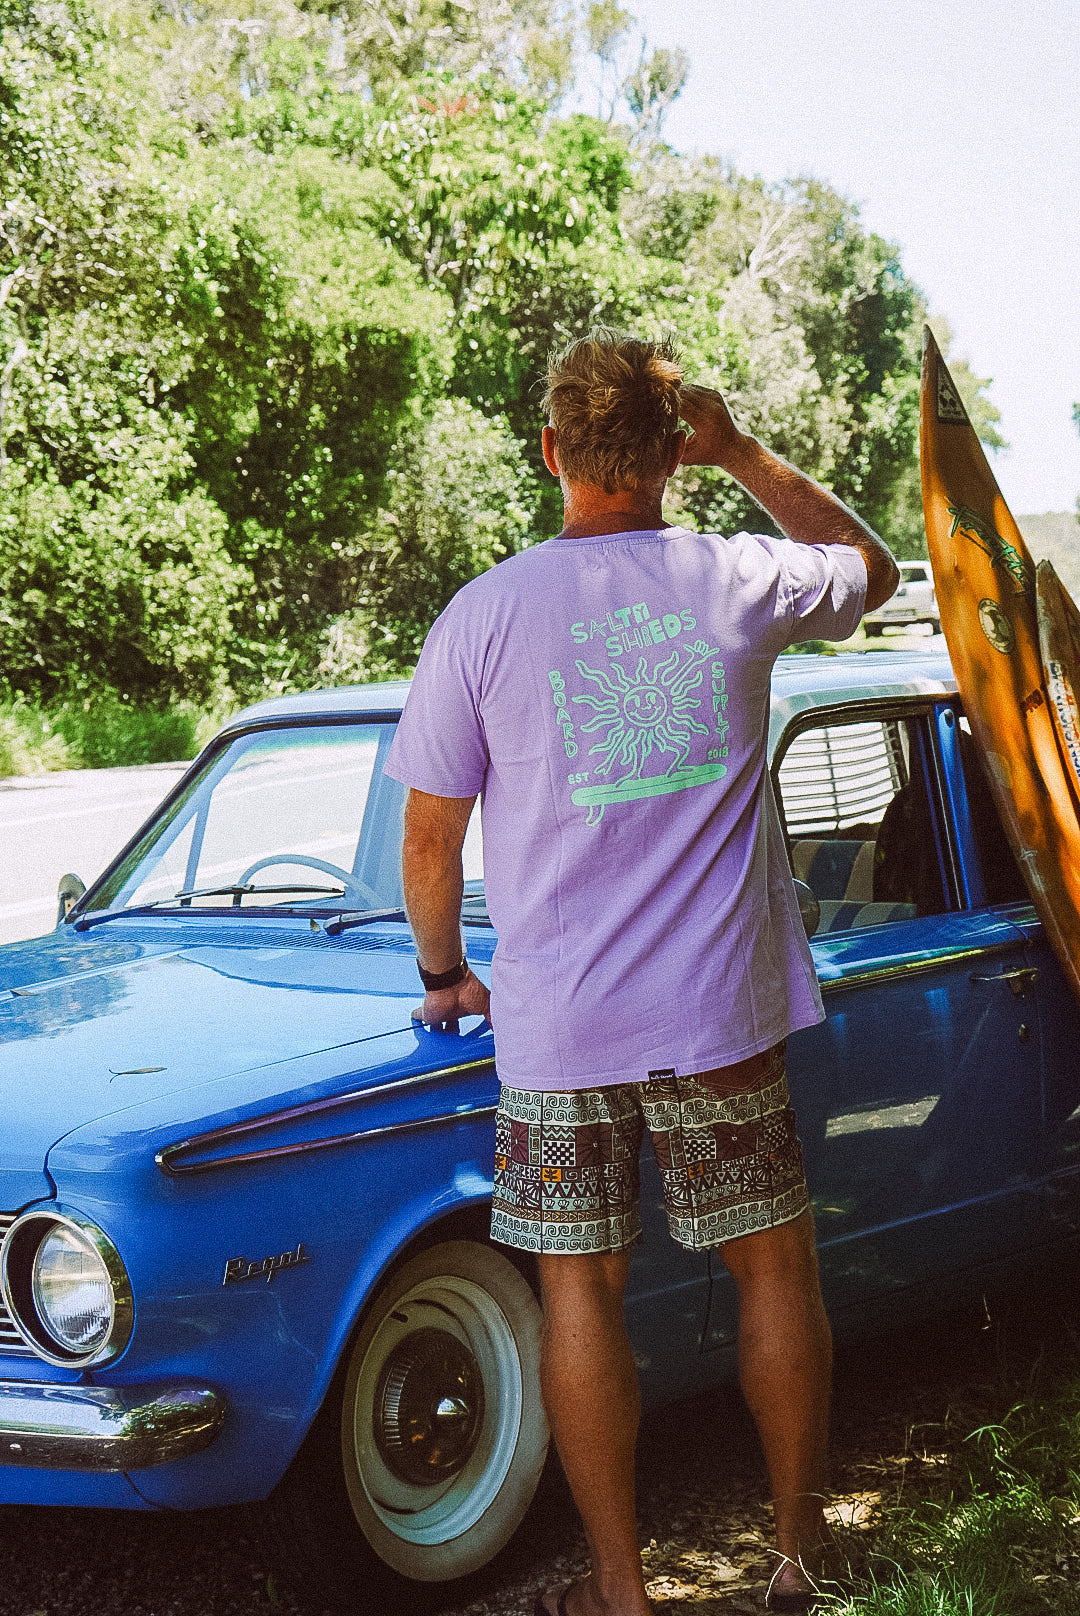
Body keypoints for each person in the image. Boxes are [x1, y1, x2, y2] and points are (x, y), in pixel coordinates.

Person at [383, 329, 899, 1616]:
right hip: (718, 1015)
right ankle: (797, 1555)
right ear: (675, 451)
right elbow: (874, 567)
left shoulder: (484, 612)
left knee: (579, 1288)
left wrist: (446, 972)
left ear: (550, 451)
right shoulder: (738, 574)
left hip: (559, 1029)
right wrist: (743, 452)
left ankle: (620, 1588)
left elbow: (429, 839)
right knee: (774, 1268)